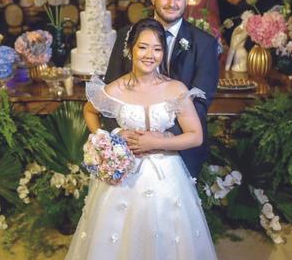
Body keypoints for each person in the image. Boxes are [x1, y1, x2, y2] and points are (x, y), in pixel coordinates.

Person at [65, 18, 217, 260]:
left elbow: (195, 136)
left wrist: (157, 142)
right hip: (123, 178)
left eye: (157, 49)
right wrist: (110, 136)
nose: (150, 55)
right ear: (131, 49)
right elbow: (89, 111)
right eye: (143, 47)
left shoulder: (175, 89)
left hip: (166, 178)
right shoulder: (115, 88)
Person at [105, 0, 219, 178]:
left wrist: (160, 140)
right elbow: (109, 96)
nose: (171, 3)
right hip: (130, 151)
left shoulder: (204, 44)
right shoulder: (126, 36)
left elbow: (200, 103)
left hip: (181, 153)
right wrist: (123, 135)